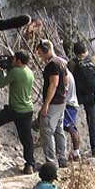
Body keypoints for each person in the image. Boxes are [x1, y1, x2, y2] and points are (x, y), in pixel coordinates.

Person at [36, 39, 68, 167]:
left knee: (46, 129)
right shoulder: (61, 62)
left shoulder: (52, 64)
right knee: (58, 130)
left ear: (46, 50)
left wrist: (46, 104)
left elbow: (53, 84)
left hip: (54, 102)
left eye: (40, 53)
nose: (39, 56)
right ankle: (62, 158)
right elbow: (66, 81)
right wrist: (64, 94)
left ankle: (51, 162)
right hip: (61, 101)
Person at [68, 42, 95, 159]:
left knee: (71, 119)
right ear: (85, 50)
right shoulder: (93, 59)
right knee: (92, 122)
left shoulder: (72, 63)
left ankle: (75, 149)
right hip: (90, 96)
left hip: (78, 95)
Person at [63, 68, 81, 161]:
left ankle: (76, 153)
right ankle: (75, 152)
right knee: (68, 128)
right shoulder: (69, 74)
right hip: (72, 104)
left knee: (71, 128)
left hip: (69, 105)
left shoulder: (65, 76)